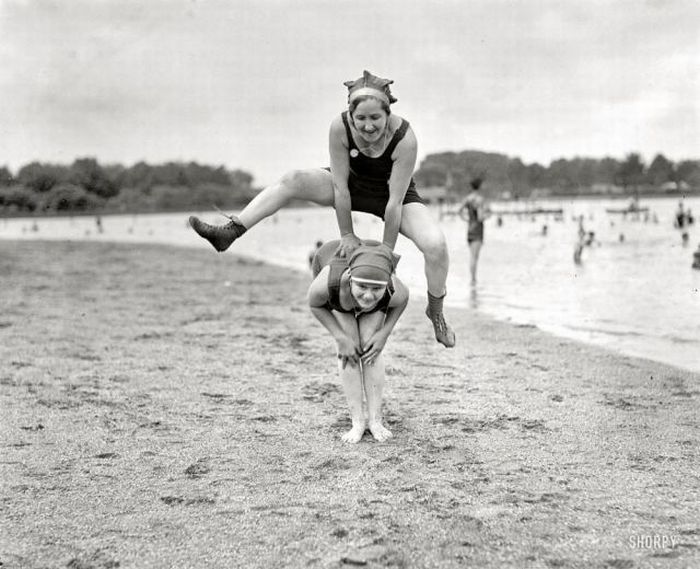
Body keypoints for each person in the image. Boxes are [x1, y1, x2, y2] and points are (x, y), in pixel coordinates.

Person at [188, 70, 455, 348]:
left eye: (375, 117)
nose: (368, 126)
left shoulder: (404, 137)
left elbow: (394, 203)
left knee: (436, 246)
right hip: (350, 186)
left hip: (392, 195)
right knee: (294, 180)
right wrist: (348, 235)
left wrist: (387, 251)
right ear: (350, 116)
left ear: (387, 114)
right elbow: (340, 188)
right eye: (360, 118)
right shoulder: (339, 127)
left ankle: (436, 310)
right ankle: (231, 232)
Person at [308, 239, 408, 443]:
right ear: (351, 279)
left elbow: (402, 301)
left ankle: (375, 420)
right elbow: (315, 304)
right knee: (350, 347)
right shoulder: (329, 282)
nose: (369, 295)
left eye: (376, 290)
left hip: (375, 262)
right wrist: (340, 337)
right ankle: (357, 421)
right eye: (362, 287)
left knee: (370, 344)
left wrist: (384, 334)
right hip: (338, 287)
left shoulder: (393, 287)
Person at [458, 177, 490, 286]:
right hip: (478, 230)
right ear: (479, 186)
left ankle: (472, 279)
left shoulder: (468, 198)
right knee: (475, 257)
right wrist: (487, 215)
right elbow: (480, 217)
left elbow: (459, 211)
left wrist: (466, 219)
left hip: (469, 229)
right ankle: (473, 280)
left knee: (472, 256)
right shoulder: (480, 199)